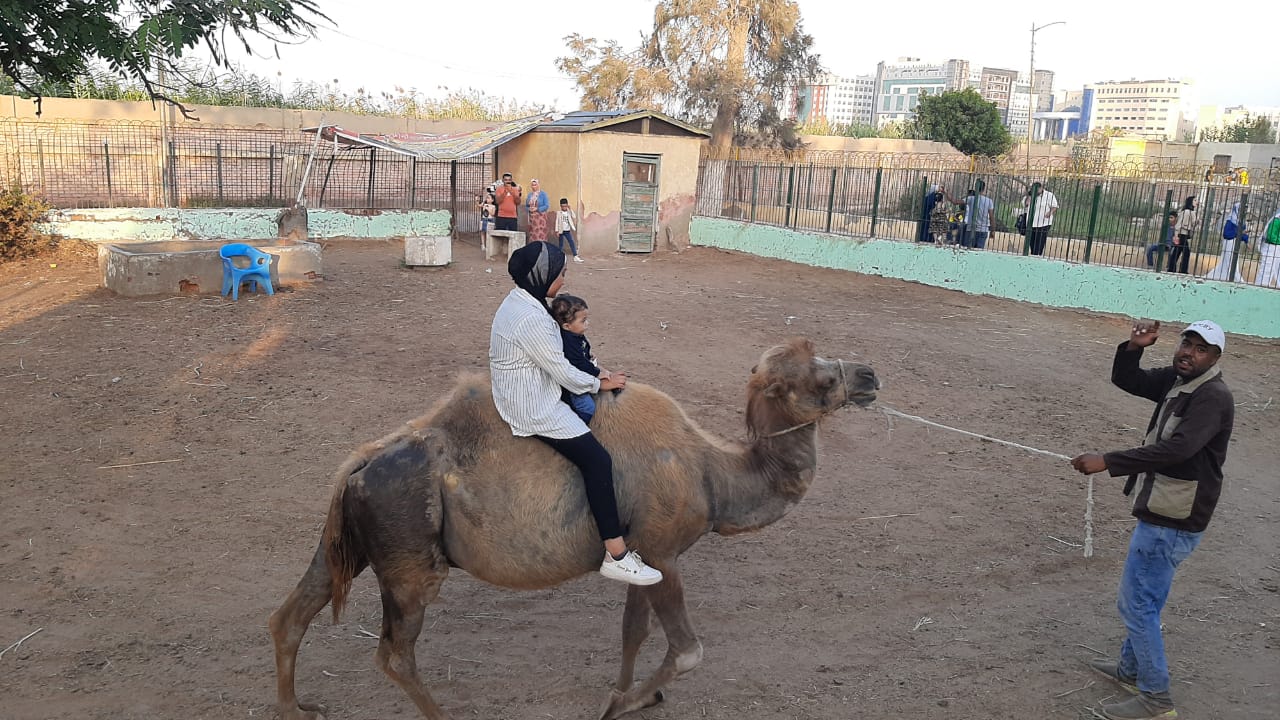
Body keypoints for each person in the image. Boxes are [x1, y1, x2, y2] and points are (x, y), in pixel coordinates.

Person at [1070, 319, 1234, 720]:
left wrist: (1109, 462)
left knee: (1137, 603)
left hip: (1173, 517)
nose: (1188, 352)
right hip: (1165, 508)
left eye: (1200, 348)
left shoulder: (1212, 396)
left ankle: (1156, 698)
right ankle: (1131, 670)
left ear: (1215, 357)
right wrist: (1133, 347)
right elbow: (1129, 381)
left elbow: (1177, 450)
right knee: (1148, 598)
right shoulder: (1179, 381)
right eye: (1186, 343)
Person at [489, 241, 663, 586]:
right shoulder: (532, 319)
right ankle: (616, 554)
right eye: (560, 273)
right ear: (542, 276)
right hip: (531, 405)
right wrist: (604, 383)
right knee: (598, 461)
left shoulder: (522, 300)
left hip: (522, 385)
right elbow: (564, 373)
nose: (564, 278)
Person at [550, 293, 607, 424]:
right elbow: (578, 363)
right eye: (583, 321)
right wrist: (598, 373)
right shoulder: (569, 342)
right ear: (566, 326)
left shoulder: (574, 335)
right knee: (588, 407)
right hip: (572, 382)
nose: (587, 323)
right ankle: (575, 426)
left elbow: (581, 353)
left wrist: (588, 356)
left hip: (577, 374)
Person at [1201, 201, 1247, 282]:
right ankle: (1237, 279)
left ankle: (1225, 276)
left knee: (1231, 262)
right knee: (1230, 262)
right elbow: (1226, 234)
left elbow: (1241, 234)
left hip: (1236, 243)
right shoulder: (1230, 220)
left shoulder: (1241, 221)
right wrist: (1239, 233)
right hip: (1229, 242)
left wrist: (1246, 239)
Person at [1023, 182, 1059, 256]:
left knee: (1039, 242)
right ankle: (1033, 254)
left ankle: (1037, 255)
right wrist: (1030, 195)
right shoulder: (1030, 195)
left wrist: (1050, 212)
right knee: (1031, 242)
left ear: (1041, 188)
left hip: (1044, 223)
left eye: (1038, 189)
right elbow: (1026, 204)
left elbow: (1055, 206)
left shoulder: (1049, 195)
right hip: (1031, 223)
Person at [1167, 196, 1199, 274]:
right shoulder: (1187, 212)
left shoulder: (1189, 212)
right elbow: (1179, 224)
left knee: (1177, 252)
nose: (1197, 202)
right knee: (1185, 253)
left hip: (1183, 234)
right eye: (1195, 200)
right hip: (1182, 234)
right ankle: (1182, 270)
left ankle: (1172, 268)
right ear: (1190, 202)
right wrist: (1176, 235)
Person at [961, 184, 994, 249]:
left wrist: (945, 193)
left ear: (975, 188)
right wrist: (992, 230)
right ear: (984, 189)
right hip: (983, 229)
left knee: (967, 251)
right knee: (978, 252)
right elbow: (991, 217)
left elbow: (955, 202)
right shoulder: (989, 201)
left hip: (971, 228)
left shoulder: (971, 198)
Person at [1255, 204, 1280, 288]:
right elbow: (1271, 235)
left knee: (1276, 269)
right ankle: (1260, 288)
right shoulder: (1277, 218)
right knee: (1266, 271)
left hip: (1276, 247)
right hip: (1271, 247)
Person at [556, 197, 582, 262]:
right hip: (561, 231)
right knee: (561, 244)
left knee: (571, 242)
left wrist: (570, 209)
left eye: (565, 206)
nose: (564, 207)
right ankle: (559, 256)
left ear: (567, 205)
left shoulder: (568, 212)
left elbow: (574, 216)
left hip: (567, 230)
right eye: (562, 206)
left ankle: (575, 256)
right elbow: (557, 221)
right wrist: (557, 231)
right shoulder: (559, 213)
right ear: (560, 206)